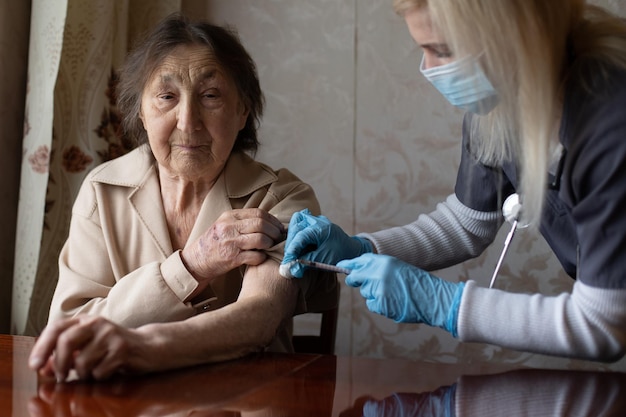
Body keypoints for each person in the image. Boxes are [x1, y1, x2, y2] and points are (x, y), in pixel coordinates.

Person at [281, 0, 626, 362]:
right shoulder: (499, 107)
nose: (428, 69)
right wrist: (362, 248)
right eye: (423, 49)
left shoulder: (610, 120)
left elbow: (603, 323)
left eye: (442, 51)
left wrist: (445, 304)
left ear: (516, 35)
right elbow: (466, 224)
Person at [28, 13, 337, 382]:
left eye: (210, 96)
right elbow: (70, 330)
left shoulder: (282, 198)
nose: (188, 121)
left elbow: (260, 316)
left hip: (248, 397)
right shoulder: (102, 190)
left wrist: (139, 346)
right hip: (124, 401)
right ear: (140, 111)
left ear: (243, 111)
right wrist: (193, 264)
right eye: (167, 96)